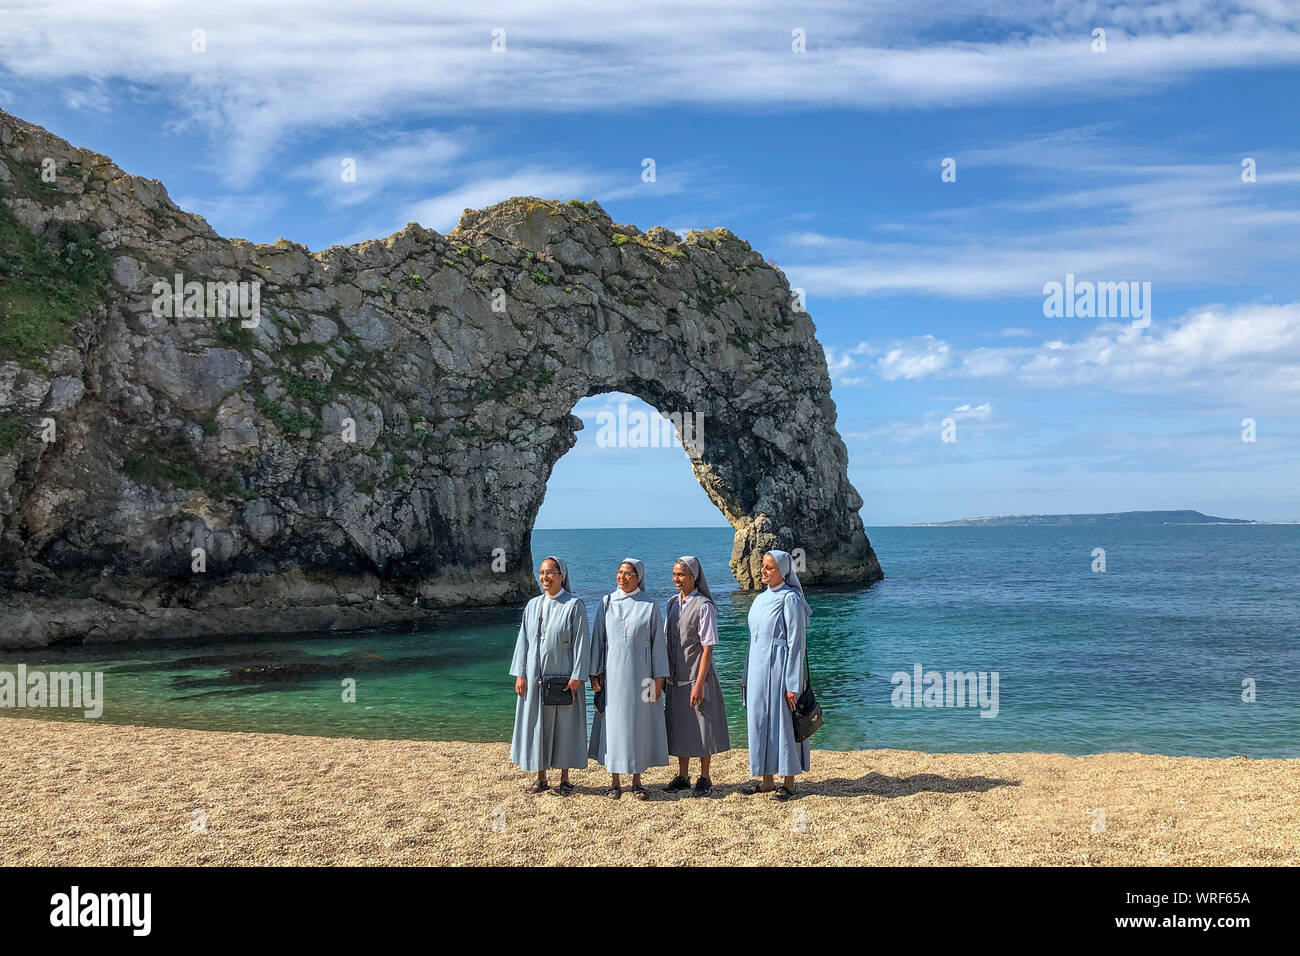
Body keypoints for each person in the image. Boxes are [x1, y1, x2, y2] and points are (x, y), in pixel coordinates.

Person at [508, 555, 590, 796]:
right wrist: (520, 674)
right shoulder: (532, 605)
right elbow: (523, 641)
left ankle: (565, 778)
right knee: (537, 723)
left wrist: (577, 675)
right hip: (534, 675)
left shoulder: (575, 605)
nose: (545, 577)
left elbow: (582, 643)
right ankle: (541, 777)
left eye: (550, 572)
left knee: (564, 724)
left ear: (562, 576)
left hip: (564, 674)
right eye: (542, 572)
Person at [588, 558, 669, 800]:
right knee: (613, 725)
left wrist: (659, 679)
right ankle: (614, 781)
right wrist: (594, 673)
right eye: (619, 572)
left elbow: (658, 645)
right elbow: (598, 640)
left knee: (639, 724)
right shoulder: (607, 602)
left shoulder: (650, 605)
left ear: (639, 577)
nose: (622, 577)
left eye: (628, 573)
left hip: (643, 676)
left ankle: (637, 781)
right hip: (612, 675)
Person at [741, 549, 811, 801]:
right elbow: (754, 639)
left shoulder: (790, 599)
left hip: (780, 667)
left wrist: (792, 683)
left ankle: (789, 782)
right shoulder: (760, 598)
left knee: (783, 721)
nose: (763, 570)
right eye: (763, 565)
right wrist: (746, 675)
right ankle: (766, 780)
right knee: (759, 720)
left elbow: (796, 643)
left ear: (783, 571)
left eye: (769, 567)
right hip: (758, 667)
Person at [662, 555, 730, 797]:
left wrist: (699, 684)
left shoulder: (704, 606)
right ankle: (683, 775)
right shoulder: (671, 604)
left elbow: (708, 647)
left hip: (696, 676)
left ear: (694, 577)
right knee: (681, 726)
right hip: (675, 677)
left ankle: (705, 776)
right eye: (674, 574)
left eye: (681, 574)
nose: (676, 579)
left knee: (703, 727)